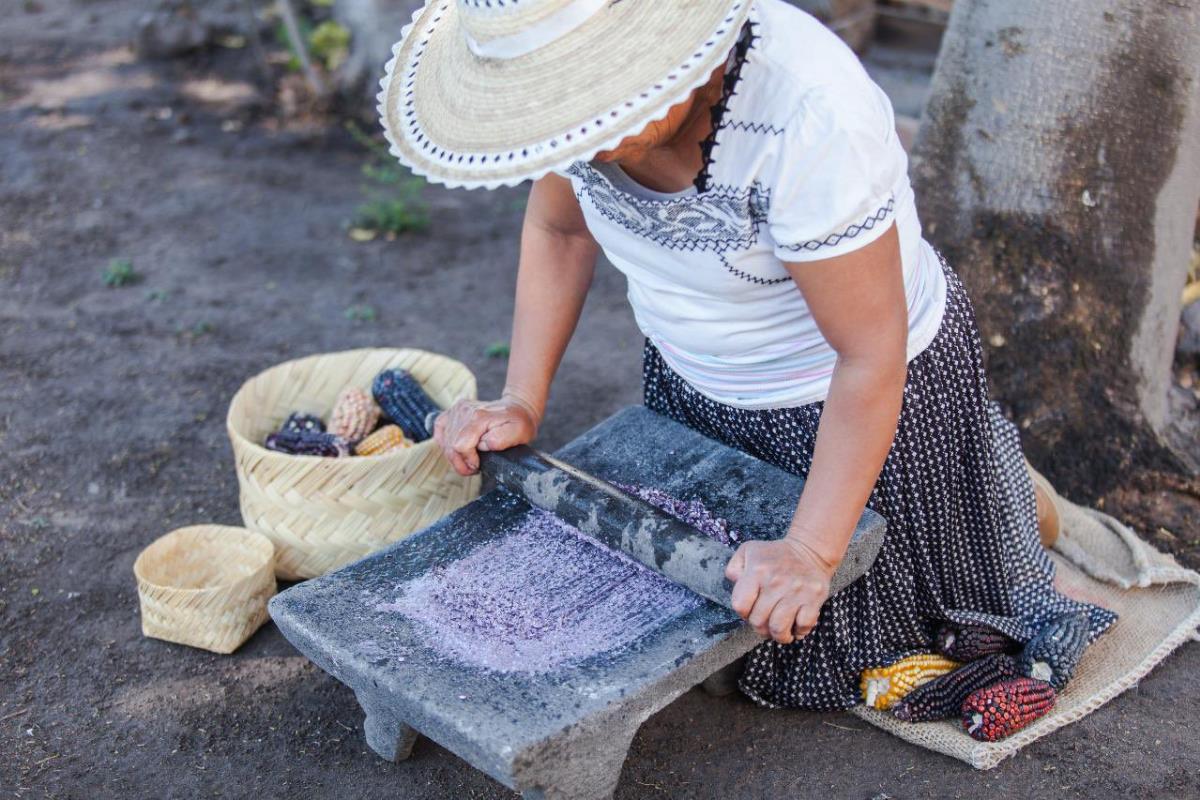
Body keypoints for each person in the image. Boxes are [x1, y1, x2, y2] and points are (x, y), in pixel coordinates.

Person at [378, 0, 1115, 709]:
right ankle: (988, 488)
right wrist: (521, 398)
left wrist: (811, 551)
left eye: (594, 108)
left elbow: (868, 353)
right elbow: (560, 232)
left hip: (855, 391)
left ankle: (999, 489)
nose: (578, 142)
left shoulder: (806, 110)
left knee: (867, 640)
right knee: (714, 628)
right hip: (695, 385)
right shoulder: (573, 129)